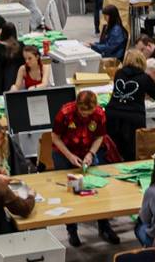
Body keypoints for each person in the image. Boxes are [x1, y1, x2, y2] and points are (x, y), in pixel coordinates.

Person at [51, 89, 119, 246]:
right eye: (82, 112)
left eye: (89, 113)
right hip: (64, 153)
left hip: (87, 151)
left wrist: (91, 153)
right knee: (71, 191)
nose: (85, 115)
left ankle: (104, 226)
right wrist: (69, 156)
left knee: (97, 189)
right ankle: (72, 230)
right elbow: (55, 137)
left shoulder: (99, 113)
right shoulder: (65, 112)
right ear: (77, 105)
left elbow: (100, 136)